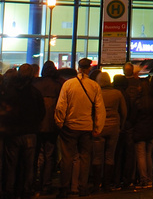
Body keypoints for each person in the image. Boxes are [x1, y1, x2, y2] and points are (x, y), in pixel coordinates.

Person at [53, 58, 106, 199]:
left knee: (67, 158)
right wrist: (98, 127)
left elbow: (60, 106)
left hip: (70, 126)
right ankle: (82, 188)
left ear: (78, 68)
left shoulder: (68, 85)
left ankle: (65, 187)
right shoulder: (94, 86)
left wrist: (59, 122)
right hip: (87, 127)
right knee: (85, 158)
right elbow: (100, 109)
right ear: (89, 69)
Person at [4, 63, 45, 199]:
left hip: (14, 133)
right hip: (30, 132)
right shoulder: (34, 92)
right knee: (28, 165)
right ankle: (26, 190)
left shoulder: (10, 91)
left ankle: (10, 190)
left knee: (11, 164)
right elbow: (41, 112)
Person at [92, 72, 127, 191]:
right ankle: (107, 184)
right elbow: (124, 112)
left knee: (97, 157)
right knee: (110, 156)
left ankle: (96, 184)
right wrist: (121, 126)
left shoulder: (96, 93)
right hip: (113, 128)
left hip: (99, 127)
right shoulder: (117, 94)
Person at [129, 74, 153, 190]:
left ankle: (143, 179)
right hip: (152, 130)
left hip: (140, 130)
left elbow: (133, 118)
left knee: (141, 156)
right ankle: (150, 179)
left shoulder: (138, 101)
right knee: (148, 155)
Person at [33, 60, 62, 194]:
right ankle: (46, 183)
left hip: (36, 125)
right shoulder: (58, 85)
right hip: (52, 125)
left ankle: (34, 181)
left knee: (35, 154)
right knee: (50, 155)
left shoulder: (35, 84)